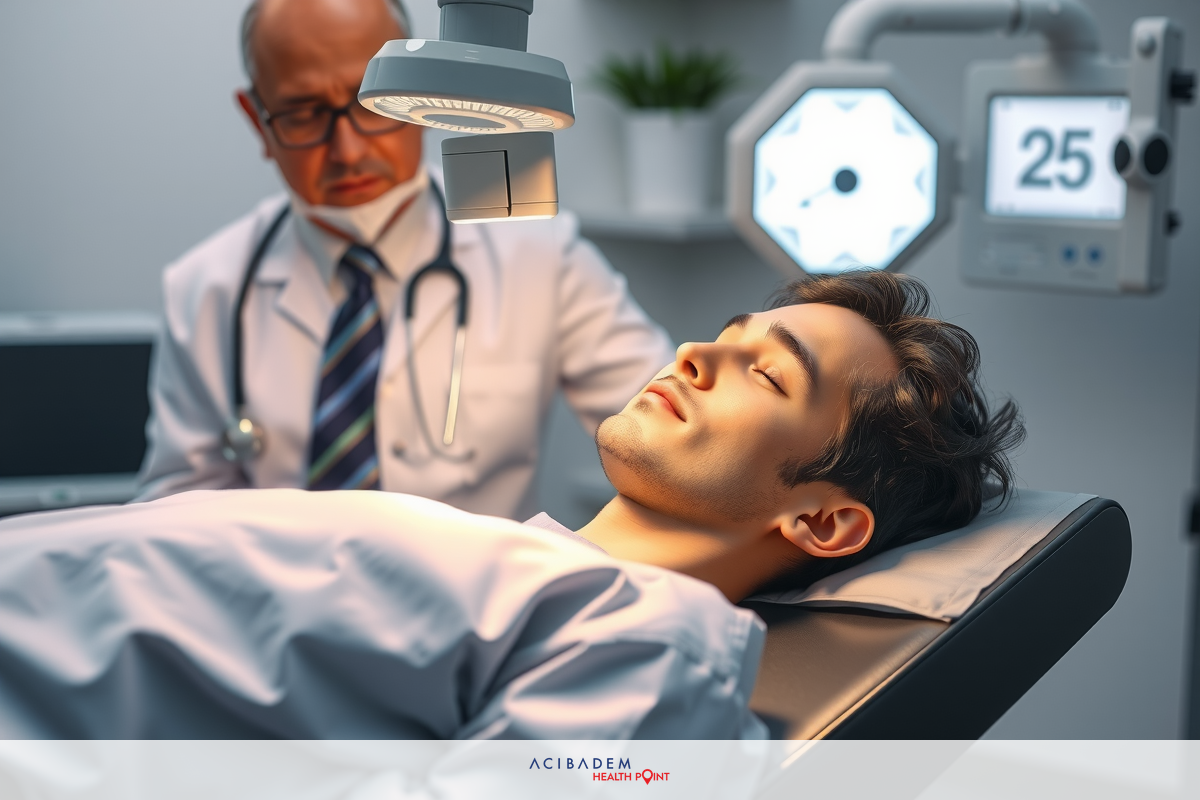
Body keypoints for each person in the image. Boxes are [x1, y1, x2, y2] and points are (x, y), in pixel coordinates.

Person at [0, 272, 1022, 739]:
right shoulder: (510, 558)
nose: (696, 350)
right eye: (728, 329)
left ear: (824, 519)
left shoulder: (657, 637)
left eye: (769, 370)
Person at [135, 0, 674, 519]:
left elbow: (672, 439)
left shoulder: (542, 253)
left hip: (484, 604)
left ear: (421, 87)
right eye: (303, 115)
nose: (347, 150)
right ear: (257, 120)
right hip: (279, 605)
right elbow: (174, 512)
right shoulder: (206, 289)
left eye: (370, 104)